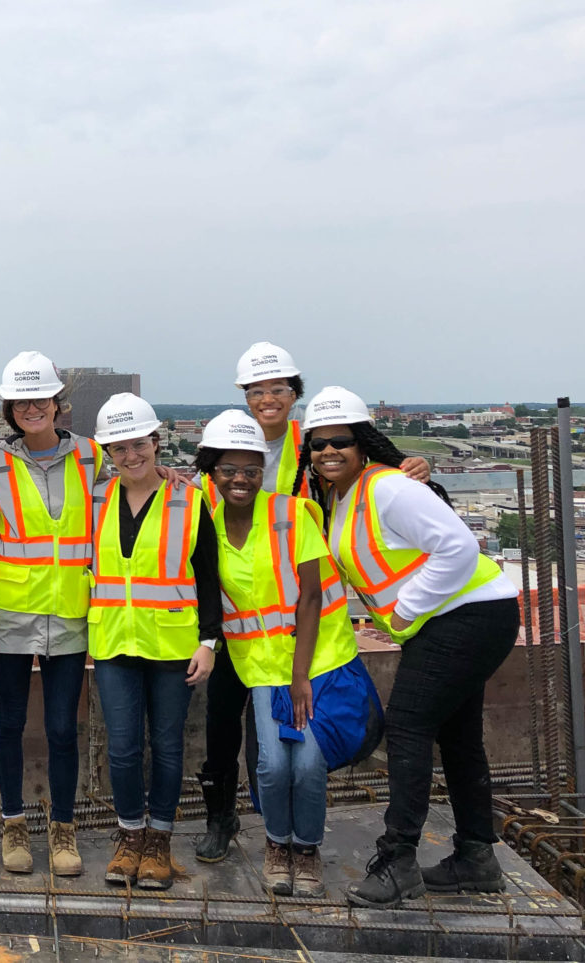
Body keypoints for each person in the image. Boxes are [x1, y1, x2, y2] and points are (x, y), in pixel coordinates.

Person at [193, 343, 430, 866]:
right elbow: (196, 500)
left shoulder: (318, 442)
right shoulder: (233, 445)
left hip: (302, 605)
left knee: (291, 744)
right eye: (256, 390)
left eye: (277, 388)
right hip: (242, 615)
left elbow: (380, 460)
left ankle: (291, 838)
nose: (267, 398)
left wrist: (416, 465)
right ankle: (221, 817)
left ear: (293, 394)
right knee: (222, 721)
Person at [296, 387, 520, 909]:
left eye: (341, 442)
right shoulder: (340, 495)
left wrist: (405, 609)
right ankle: (476, 857)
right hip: (454, 622)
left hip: (467, 617)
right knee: (459, 738)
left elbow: (460, 546)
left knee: (409, 727)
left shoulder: (387, 488)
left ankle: (398, 862)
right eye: (318, 444)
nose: (329, 451)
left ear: (364, 442)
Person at [195, 410, 366, 898]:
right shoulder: (205, 526)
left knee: (308, 764)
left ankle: (305, 848)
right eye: (229, 470)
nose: (241, 479)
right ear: (213, 473)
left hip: (314, 664)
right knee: (271, 765)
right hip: (257, 665)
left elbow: (311, 597)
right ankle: (276, 844)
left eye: (251, 469)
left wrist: (300, 675)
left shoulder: (292, 515)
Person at [88, 394, 219, 889]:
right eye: (118, 449)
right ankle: (128, 837)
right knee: (122, 748)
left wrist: (209, 641)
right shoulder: (98, 499)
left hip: (173, 645)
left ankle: (159, 841)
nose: (130, 456)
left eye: (138, 444)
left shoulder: (190, 498)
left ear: (156, 442)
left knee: (166, 747)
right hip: (115, 642)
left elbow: (208, 576)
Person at [0, 352, 102, 878]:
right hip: (11, 613)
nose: (32, 408)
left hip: (71, 613)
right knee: (8, 722)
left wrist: (169, 470)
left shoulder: (94, 457)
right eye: (21, 402)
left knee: (61, 728)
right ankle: (13, 824)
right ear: (10, 410)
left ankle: (63, 829)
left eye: (41, 399)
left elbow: (134, 491)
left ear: (58, 404)